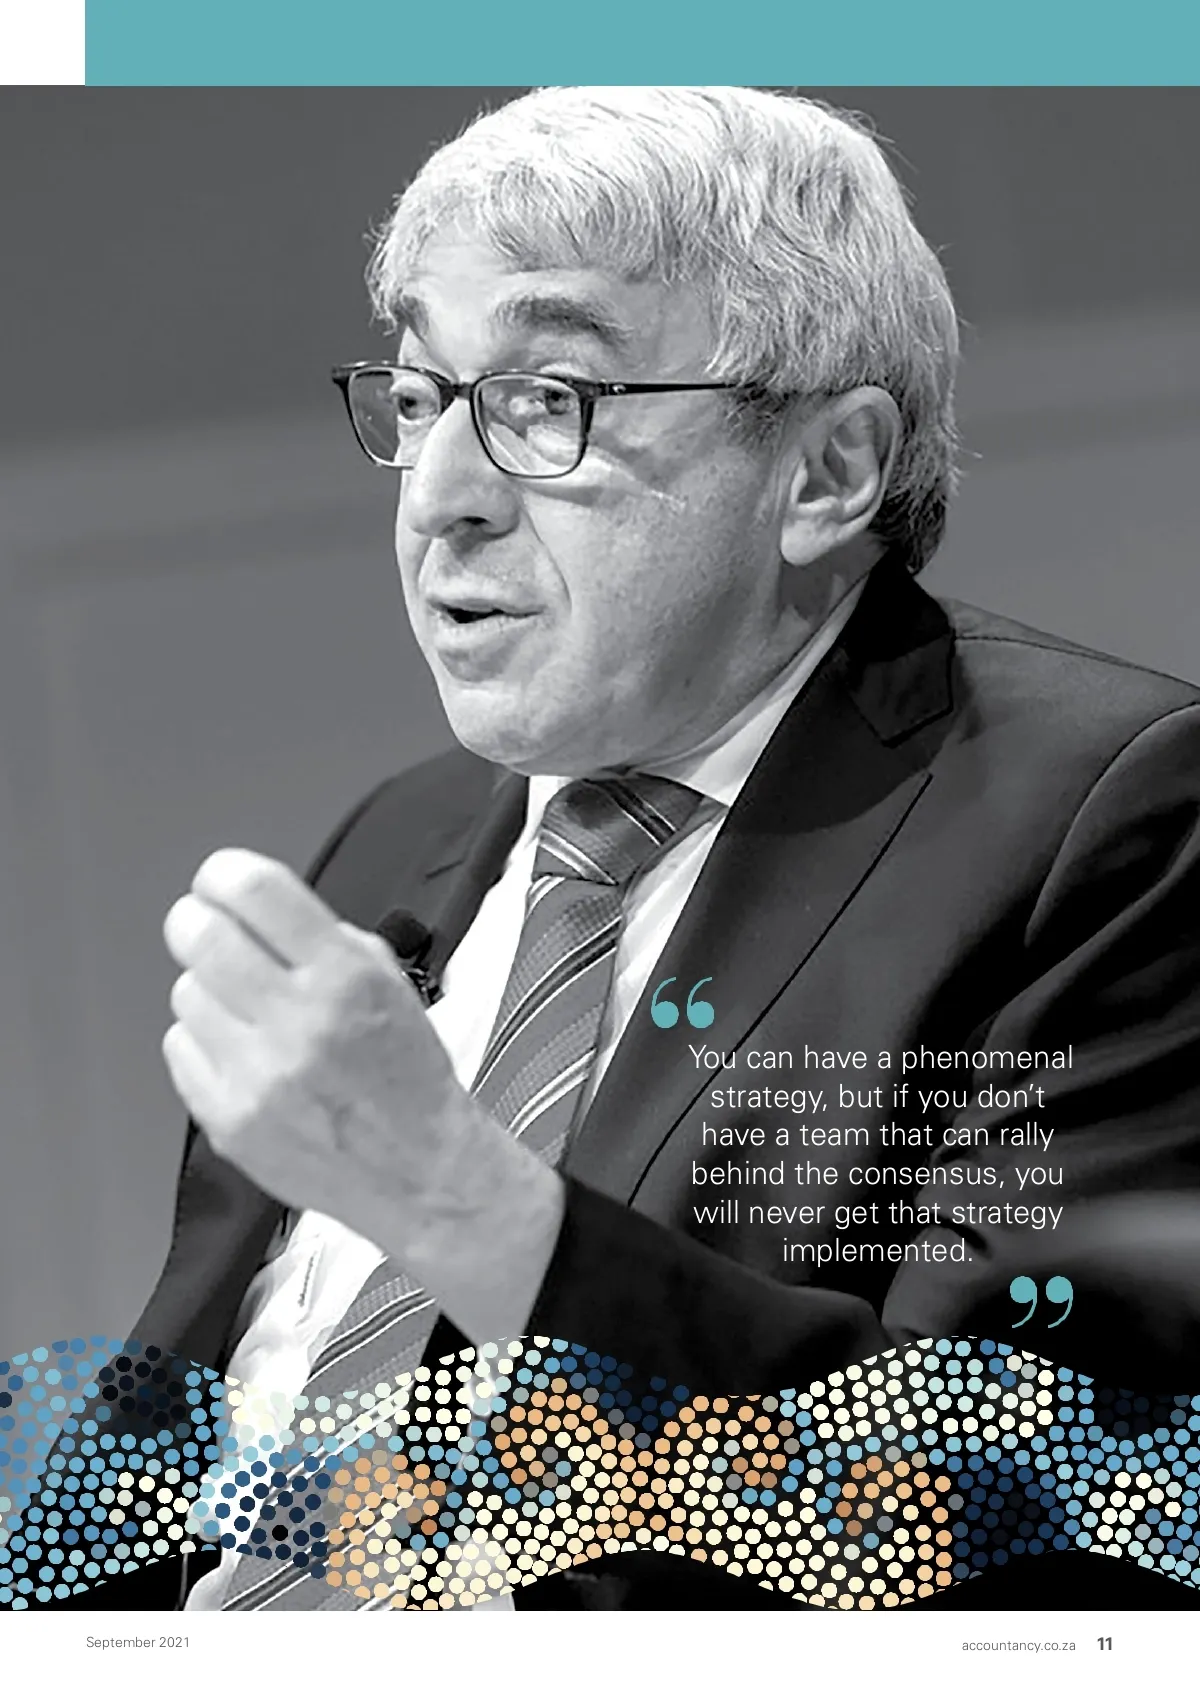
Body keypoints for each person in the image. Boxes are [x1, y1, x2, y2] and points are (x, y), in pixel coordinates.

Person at [47, 86, 1200, 1613]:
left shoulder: (1107, 819)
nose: (441, 501)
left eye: (547, 400)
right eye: (419, 398)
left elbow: (1037, 1518)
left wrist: (466, 1206)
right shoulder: (392, 844)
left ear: (826, 472)